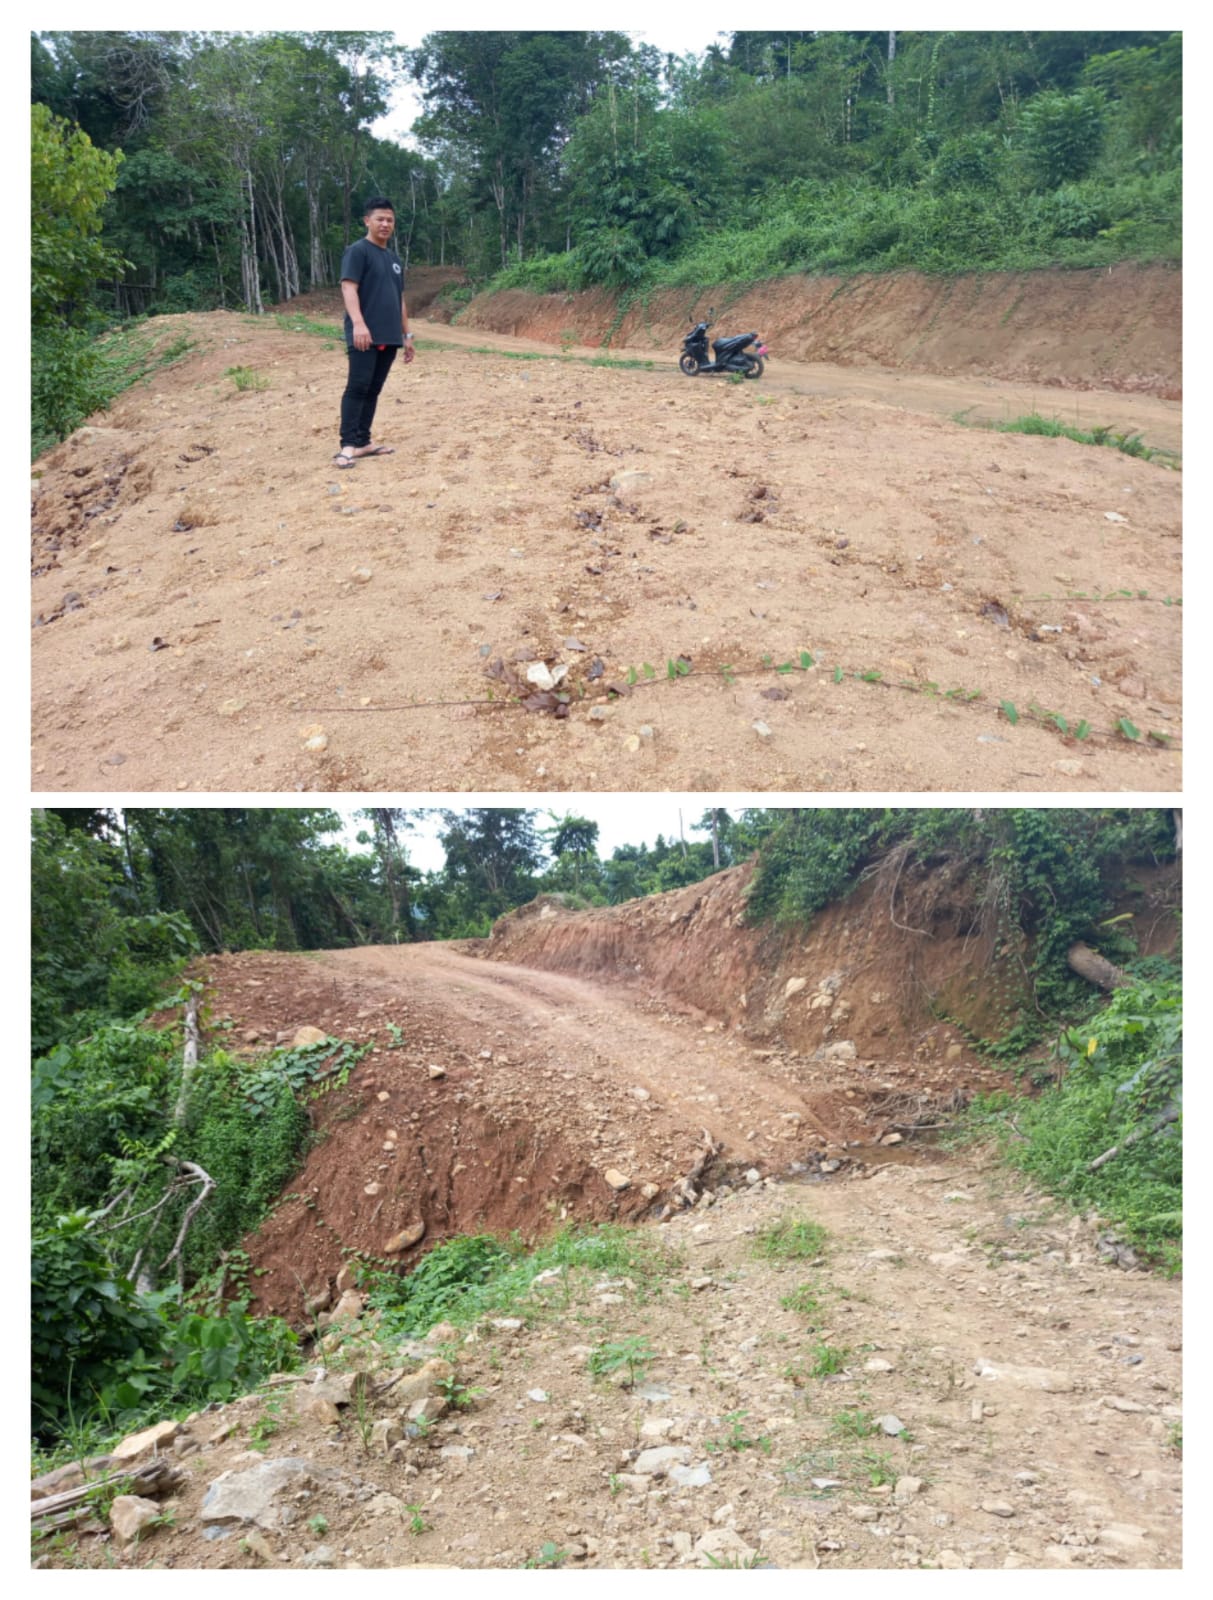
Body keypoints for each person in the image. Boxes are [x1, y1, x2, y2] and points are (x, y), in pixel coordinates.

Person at [333, 196, 415, 468]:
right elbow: (348, 287)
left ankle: (363, 442)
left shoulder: (393, 259)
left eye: (390, 220)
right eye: (380, 219)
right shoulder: (358, 251)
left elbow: (399, 298)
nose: (385, 224)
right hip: (364, 334)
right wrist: (358, 323)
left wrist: (407, 335)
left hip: (389, 335)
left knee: (373, 389)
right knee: (357, 387)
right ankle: (347, 446)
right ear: (367, 221)